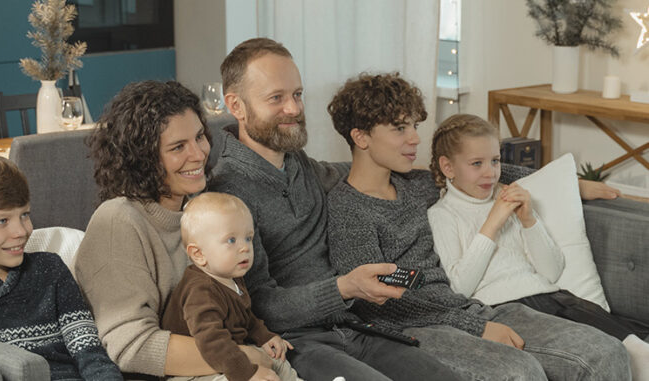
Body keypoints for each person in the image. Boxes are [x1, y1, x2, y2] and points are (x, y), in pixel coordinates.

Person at [325, 72, 632, 380]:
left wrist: (572, 184)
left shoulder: (416, 185)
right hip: (418, 326)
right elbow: (377, 304)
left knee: (608, 352)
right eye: (400, 128)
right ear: (361, 137)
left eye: (415, 126)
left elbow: (488, 169)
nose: (415, 138)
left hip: (472, 310)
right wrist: (476, 326)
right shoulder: (347, 208)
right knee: (519, 372)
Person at [209, 38, 462, 381]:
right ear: (236, 106)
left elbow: (351, 170)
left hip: (355, 326)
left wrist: (468, 170)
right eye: (276, 98)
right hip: (297, 342)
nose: (294, 109)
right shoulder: (228, 193)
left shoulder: (296, 162)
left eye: (297, 95)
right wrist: (344, 288)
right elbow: (259, 304)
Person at [427, 113, 649, 380]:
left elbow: (552, 272)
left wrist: (529, 220)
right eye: (477, 163)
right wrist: (493, 222)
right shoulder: (443, 215)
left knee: (636, 344)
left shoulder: (507, 196)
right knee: (612, 352)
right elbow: (460, 288)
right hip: (505, 306)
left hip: (555, 297)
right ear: (448, 167)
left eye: (495, 161)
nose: (490, 172)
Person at [74, 81, 272, 378]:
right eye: (178, 147)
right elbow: (131, 346)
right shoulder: (118, 221)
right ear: (143, 158)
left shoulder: (200, 208)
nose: (198, 154)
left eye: (199, 137)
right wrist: (245, 358)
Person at [0, 151, 123, 380]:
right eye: (2, 221)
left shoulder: (50, 269)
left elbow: (88, 350)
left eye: (24, 215)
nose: (21, 231)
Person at [162, 192, 302, 381]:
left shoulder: (230, 277)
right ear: (198, 254)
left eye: (248, 238)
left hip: (229, 355)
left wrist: (264, 336)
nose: (245, 248)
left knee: (279, 363)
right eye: (231, 240)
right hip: (197, 370)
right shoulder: (200, 290)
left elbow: (244, 316)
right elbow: (212, 341)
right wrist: (246, 372)